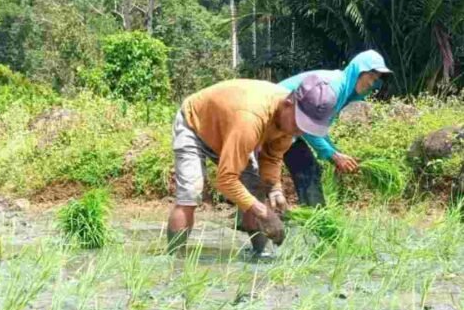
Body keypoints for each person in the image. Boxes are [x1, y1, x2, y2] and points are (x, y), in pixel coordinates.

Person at [167, 75, 338, 254]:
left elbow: (272, 158)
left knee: (256, 190)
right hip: (195, 125)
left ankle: (259, 256)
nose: (300, 130)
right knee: (190, 194)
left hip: (231, 132)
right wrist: (263, 212)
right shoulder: (250, 119)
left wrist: (275, 189)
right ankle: (175, 261)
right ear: (288, 103)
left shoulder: (289, 123)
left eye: (308, 127)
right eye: (300, 123)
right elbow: (226, 180)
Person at [279, 50, 392, 207]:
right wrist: (333, 156)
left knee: (308, 167)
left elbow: (317, 128)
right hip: (271, 120)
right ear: (359, 71)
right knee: (256, 174)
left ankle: (316, 220)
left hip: (288, 129)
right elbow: (308, 126)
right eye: (371, 77)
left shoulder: (343, 91)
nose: (372, 83)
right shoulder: (333, 88)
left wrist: (336, 153)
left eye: (376, 79)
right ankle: (246, 225)